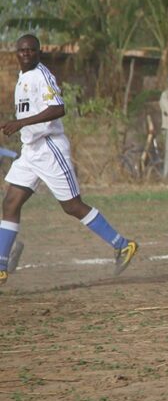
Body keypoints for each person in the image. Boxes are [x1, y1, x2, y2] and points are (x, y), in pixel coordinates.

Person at [0, 34, 138, 286]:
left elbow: (58, 108)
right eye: (22, 50)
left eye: (31, 49)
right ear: (16, 53)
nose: (26, 53)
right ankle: (1, 267)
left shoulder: (42, 75)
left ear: (38, 52)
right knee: (9, 203)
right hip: (30, 151)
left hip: (50, 148)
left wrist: (20, 123)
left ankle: (122, 245)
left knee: (72, 206)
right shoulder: (23, 78)